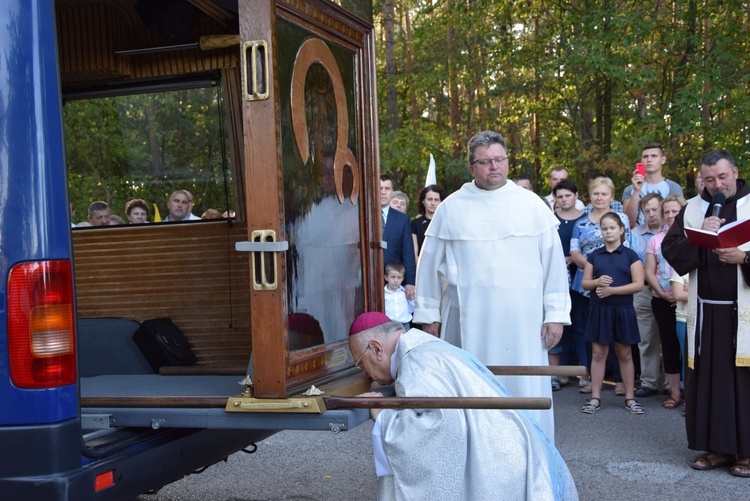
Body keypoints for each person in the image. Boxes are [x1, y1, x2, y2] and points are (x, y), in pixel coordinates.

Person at [412, 130, 570, 440]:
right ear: (471, 167)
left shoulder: (532, 205)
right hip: (466, 318)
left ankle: (532, 458)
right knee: (470, 393)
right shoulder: (451, 207)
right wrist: (428, 313)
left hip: (523, 323)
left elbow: (553, 264)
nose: (493, 167)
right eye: (485, 162)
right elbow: (428, 265)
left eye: (499, 160)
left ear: (508, 162)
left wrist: (555, 314)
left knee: (523, 394)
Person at [348, 312, 578, 500]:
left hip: (506, 465)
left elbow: (436, 425)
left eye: (361, 363)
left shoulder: (417, 361)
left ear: (377, 348)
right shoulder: (428, 347)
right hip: (515, 447)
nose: (365, 373)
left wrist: (384, 415)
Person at [662, 150, 750, 477]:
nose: (716, 185)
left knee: (743, 383)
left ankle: (747, 453)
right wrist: (699, 236)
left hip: (745, 315)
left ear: (735, 173)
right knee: (713, 381)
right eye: (709, 179)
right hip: (706, 313)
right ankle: (718, 448)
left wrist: (744, 258)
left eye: (723, 177)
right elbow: (671, 251)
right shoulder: (694, 209)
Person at [570, 177, 633, 396]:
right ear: (590, 195)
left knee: (617, 335)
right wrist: (593, 269)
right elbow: (575, 250)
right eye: (596, 193)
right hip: (586, 285)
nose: (599, 197)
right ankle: (589, 379)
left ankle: (618, 381)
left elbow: (629, 250)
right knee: (590, 334)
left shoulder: (621, 218)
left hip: (618, 285)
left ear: (612, 196)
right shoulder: (581, 222)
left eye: (604, 194)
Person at [580, 212, 645, 414]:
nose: (608, 231)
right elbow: (585, 282)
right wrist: (598, 283)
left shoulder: (630, 255)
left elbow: (638, 284)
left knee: (625, 354)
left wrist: (611, 291)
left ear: (621, 230)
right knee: (598, 354)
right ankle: (595, 398)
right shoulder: (594, 255)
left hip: (623, 311)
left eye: (612, 227)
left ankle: (630, 398)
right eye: (604, 228)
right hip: (599, 311)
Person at [645, 194, 687, 409]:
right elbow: (650, 271)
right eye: (667, 212)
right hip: (662, 299)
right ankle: (675, 393)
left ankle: (692, 393)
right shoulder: (655, 240)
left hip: (687, 301)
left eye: (675, 211)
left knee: (688, 347)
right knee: (669, 346)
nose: (671, 216)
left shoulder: (692, 237)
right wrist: (663, 293)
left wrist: (682, 294)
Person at [630, 193, 669, 398]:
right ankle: (649, 381)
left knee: (669, 338)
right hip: (644, 291)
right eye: (647, 211)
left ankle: (671, 381)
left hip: (671, 291)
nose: (652, 214)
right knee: (646, 338)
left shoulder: (672, 231)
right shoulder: (634, 234)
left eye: (655, 209)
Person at [552, 179, 586, 390]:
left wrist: (573, 259)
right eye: (560, 196)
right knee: (557, 323)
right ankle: (557, 374)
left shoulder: (585, 221)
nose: (564, 200)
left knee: (581, 326)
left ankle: (584, 374)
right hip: (556, 280)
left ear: (576, 196)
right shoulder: (550, 220)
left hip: (581, 280)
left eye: (568, 195)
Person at [622, 142, 684, 228]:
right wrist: (636, 191)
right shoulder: (630, 189)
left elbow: (678, 219)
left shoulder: (673, 187)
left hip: (665, 236)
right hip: (638, 237)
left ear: (663, 160)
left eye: (654, 156)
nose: (649, 160)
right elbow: (627, 222)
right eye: (645, 157)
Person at [380, 175, 416, 300]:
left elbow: (408, 252)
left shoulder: (402, 219)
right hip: (366, 280)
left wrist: (410, 282)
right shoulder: (362, 215)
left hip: (393, 281)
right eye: (380, 188)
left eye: (387, 188)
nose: (383, 192)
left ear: (392, 192)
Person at [410, 184, 446, 261]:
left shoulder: (446, 223)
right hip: (421, 265)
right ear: (423, 201)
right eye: (429, 199)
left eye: (436, 200)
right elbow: (415, 252)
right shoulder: (415, 223)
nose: (433, 203)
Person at [383, 262, 413, 331]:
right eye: (392, 277)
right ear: (386, 277)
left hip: (404, 325)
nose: (396, 280)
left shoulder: (405, 293)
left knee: (405, 341)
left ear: (402, 279)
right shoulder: (383, 294)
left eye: (399, 277)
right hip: (388, 325)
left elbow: (412, 306)